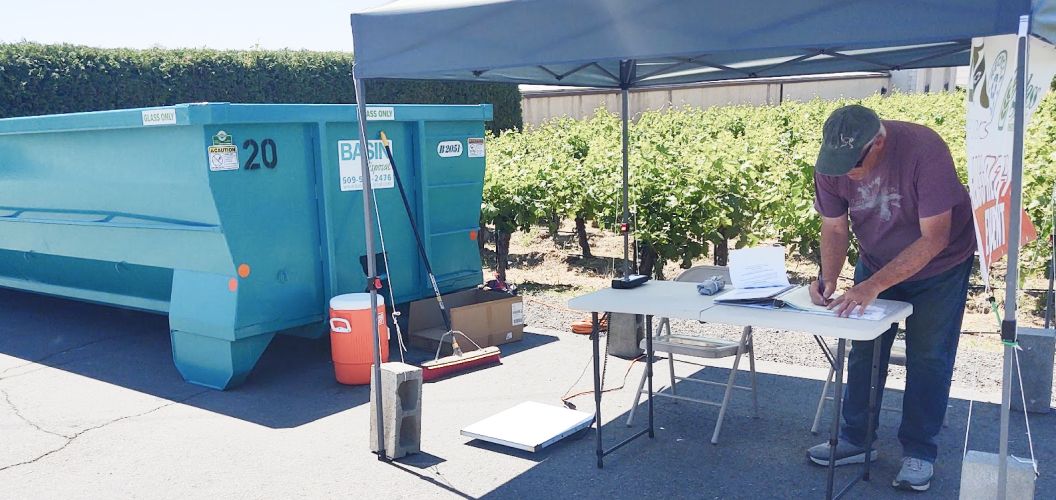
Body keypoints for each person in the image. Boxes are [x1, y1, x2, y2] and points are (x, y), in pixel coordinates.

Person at [805, 105, 975, 492]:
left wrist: (871, 285)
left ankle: (919, 451)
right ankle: (856, 440)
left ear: (879, 141)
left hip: (940, 266)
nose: (846, 172)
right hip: (877, 259)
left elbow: (935, 238)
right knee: (865, 347)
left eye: (854, 163)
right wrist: (828, 278)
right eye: (837, 163)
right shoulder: (831, 164)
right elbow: (833, 226)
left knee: (929, 354)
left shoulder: (924, 149)